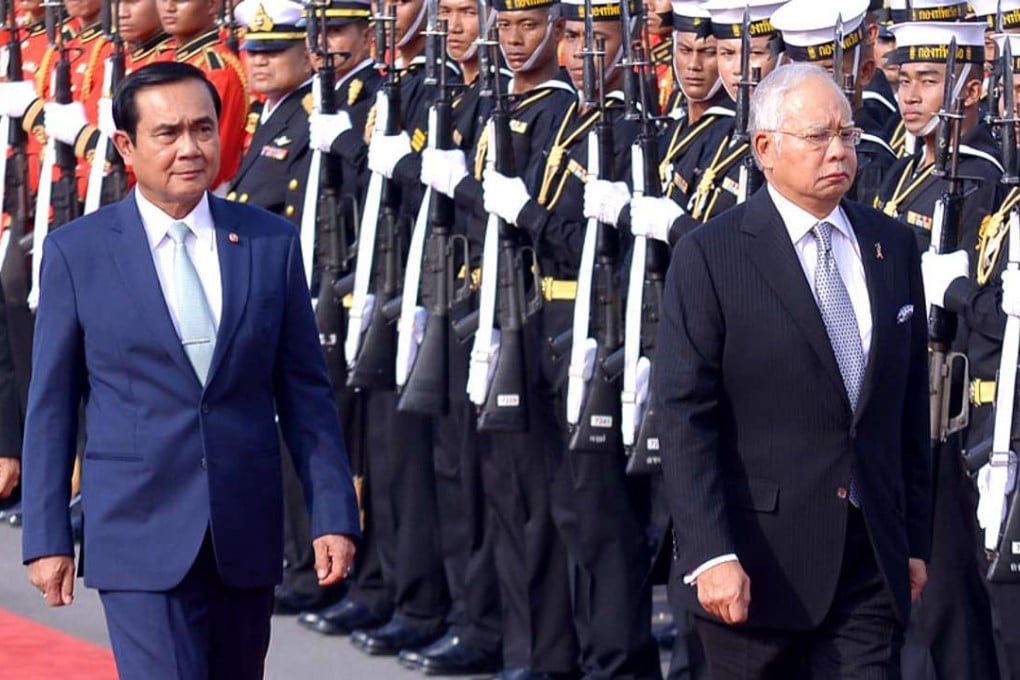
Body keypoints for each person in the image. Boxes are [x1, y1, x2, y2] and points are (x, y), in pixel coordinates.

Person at [20, 61, 360, 680]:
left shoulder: (268, 242)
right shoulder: (80, 252)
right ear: (126, 145)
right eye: (168, 133)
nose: (190, 149)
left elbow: (306, 393)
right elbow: (51, 402)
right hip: (137, 529)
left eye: (203, 129)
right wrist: (46, 534)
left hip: (245, 527)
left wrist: (333, 512)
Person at [654, 63, 932, 677]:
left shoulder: (892, 246)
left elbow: (909, 408)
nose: (838, 151)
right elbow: (682, 414)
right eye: (817, 137)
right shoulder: (713, 254)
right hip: (758, 565)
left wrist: (914, 541)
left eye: (847, 135)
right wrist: (710, 554)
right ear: (765, 149)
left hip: (869, 563)